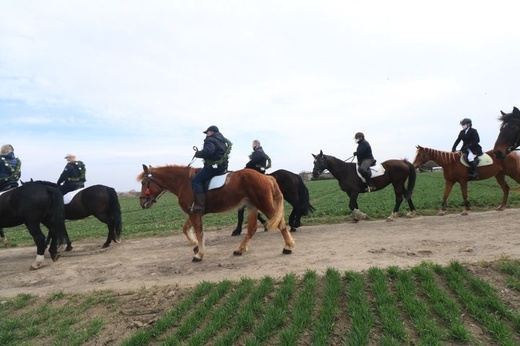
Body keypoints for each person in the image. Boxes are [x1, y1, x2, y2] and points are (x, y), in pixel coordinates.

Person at [191, 125, 232, 213]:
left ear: (212, 132)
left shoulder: (210, 139)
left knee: (196, 180)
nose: (206, 134)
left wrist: (198, 154)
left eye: (207, 132)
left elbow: (209, 151)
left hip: (213, 167)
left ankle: (200, 205)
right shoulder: (222, 141)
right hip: (222, 167)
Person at [233, 140, 271, 235]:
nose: (252, 146)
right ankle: (264, 222)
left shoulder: (258, 152)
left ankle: (239, 228)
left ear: (256, 145)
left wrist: (246, 167)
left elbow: (252, 163)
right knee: (250, 204)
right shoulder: (262, 153)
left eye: (253, 145)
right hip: (259, 174)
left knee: (244, 203)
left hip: (254, 178)